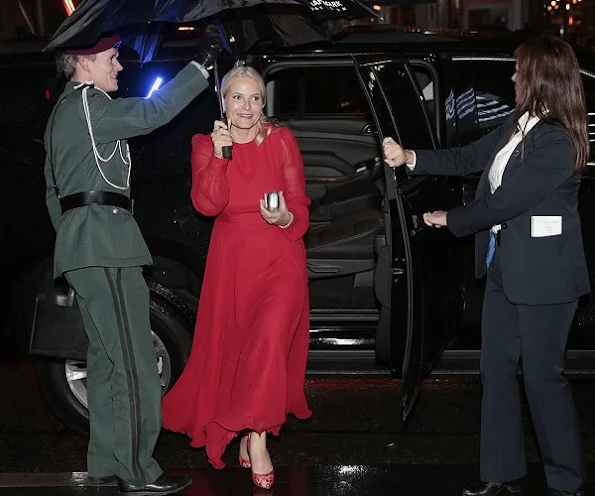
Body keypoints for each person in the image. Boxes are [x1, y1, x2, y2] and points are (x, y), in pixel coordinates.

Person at [383, 36, 589, 496]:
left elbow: (504, 203)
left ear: (540, 78)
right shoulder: (520, 123)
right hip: (505, 268)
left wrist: (448, 219)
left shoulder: (557, 141)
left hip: (546, 279)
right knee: (495, 370)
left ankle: (567, 482)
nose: (512, 77)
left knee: (542, 378)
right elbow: (469, 158)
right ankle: (501, 473)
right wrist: (411, 157)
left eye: (519, 71)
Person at [44, 27, 223, 496]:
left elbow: (51, 190)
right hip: (105, 245)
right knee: (135, 359)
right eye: (110, 58)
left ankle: (105, 460)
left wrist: (71, 242)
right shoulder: (87, 104)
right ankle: (138, 471)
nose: (118, 66)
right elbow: (152, 112)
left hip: (86, 246)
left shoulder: (64, 112)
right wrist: (201, 67)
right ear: (83, 63)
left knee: (104, 359)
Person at [162, 65, 312, 490]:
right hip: (233, 262)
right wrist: (221, 156)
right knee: (241, 351)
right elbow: (208, 205)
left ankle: (258, 438)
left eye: (255, 99)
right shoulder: (205, 146)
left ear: (264, 103)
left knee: (268, 340)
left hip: (281, 256)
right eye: (237, 98)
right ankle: (247, 430)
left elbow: (300, 204)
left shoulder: (281, 141)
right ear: (223, 102)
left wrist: (285, 217)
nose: (246, 108)